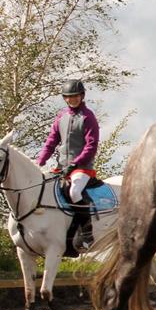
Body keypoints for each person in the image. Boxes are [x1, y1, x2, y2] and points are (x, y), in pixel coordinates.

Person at [36, 79, 100, 249]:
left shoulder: (88, 117)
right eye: (69, 97)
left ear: (82, 96)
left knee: (75, 191)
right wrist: (40, 161)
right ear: (65, 98)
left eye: (75, 96)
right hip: (62, 166)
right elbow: (51, 142)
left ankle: (87, 233)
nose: (72, 100)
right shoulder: (61, 117)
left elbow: (91, 146)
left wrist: (76, 163)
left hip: (82, 168)